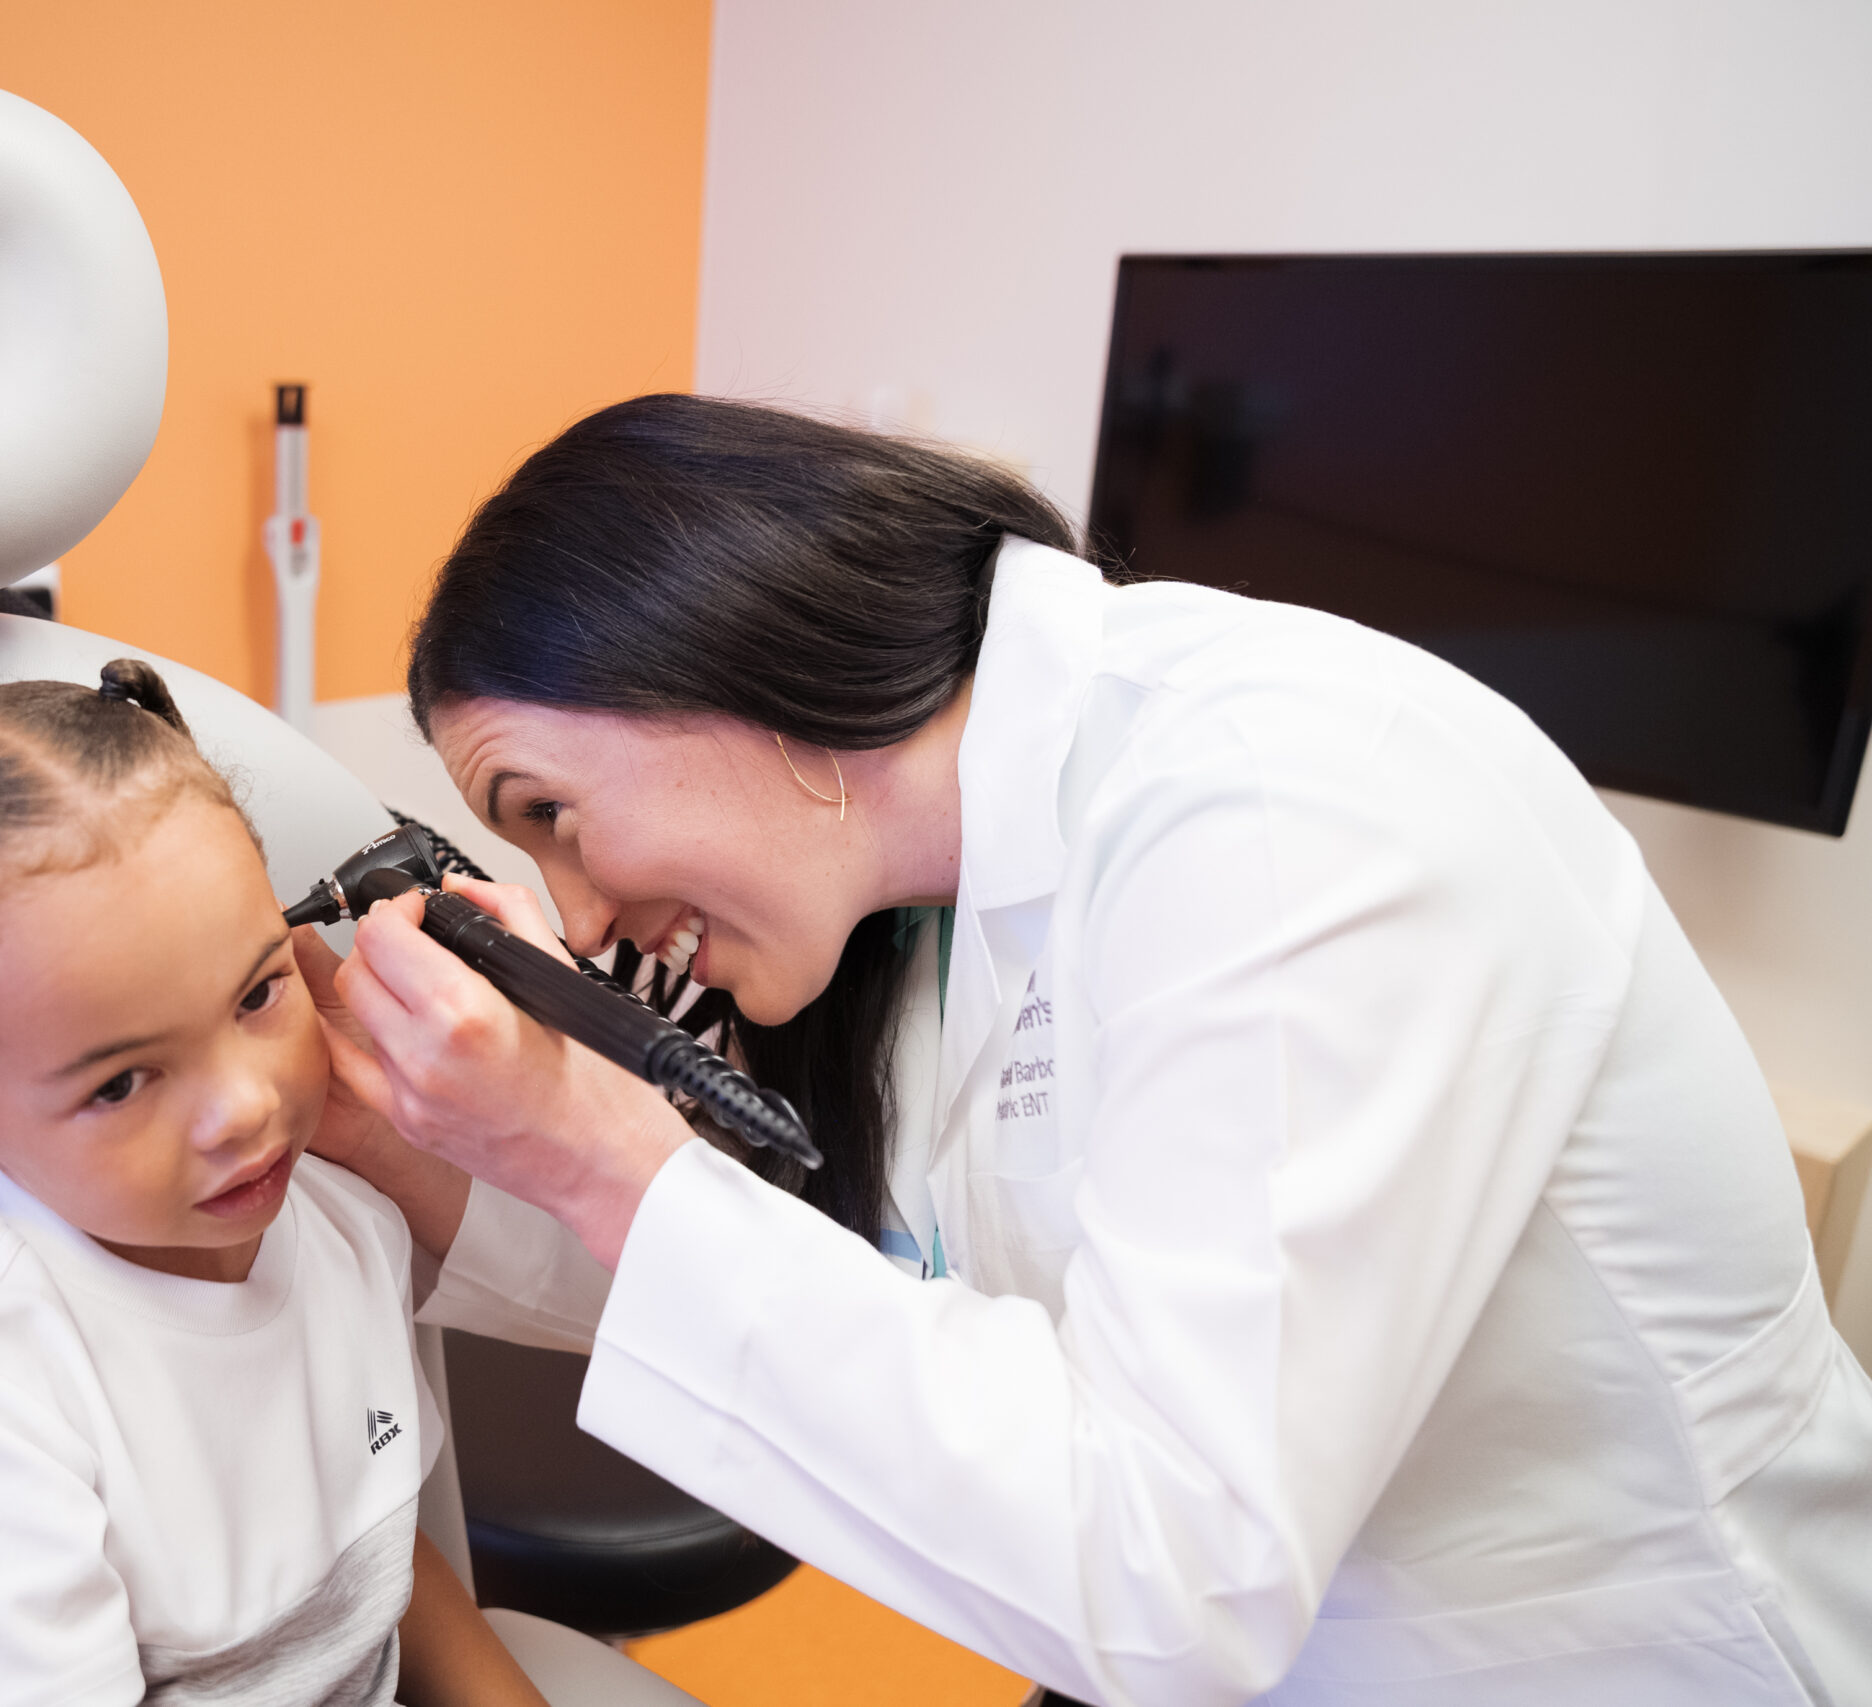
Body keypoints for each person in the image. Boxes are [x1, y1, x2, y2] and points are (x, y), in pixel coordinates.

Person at [313, 395, 1872, 1706]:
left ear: (714, 658)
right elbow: (829, 1274)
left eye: (552, 816)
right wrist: (406, 1136)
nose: (576, 919)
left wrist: (585, 1140)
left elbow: (1176, 1572)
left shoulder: (1281, 811)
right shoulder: (919, 899)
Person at [0, 660, 545, 1707]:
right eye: (121, 1082)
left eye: (254, 993)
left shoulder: (338, 1218)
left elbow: (377, 1560)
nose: (242, 1107)